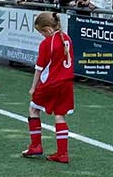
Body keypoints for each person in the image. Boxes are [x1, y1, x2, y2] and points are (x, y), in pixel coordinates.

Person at [21, 12, 75, 164]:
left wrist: (33, 87)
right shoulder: (67, 39)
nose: (42, 36)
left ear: (47, 30)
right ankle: (63, 153)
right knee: (59, 115)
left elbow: (39, 68)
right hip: (67, 83)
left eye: (41, 32)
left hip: (51, 83)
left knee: (33, 109)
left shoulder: (47, 43)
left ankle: (36, 145)